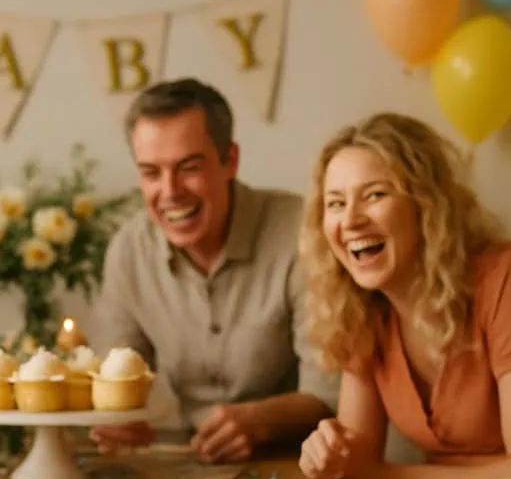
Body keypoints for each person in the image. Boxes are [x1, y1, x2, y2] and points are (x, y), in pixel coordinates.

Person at [297, 112, 511, 479]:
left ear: (426, 204)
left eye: (374, 195)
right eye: (335, 203)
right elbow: (360, 473)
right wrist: (328, 452)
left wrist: (391, 476)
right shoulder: (358, 310)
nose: (350, 220)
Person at [89, 77, 338, 459]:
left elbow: (329, 394)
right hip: (178, 464)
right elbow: (117, 386)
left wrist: (261, 421)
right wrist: (118, 424)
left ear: (230, 161)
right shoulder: (128, 250)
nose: (170, 191)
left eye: (189, 167)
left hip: (294, 473)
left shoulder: (300, 231)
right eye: (151, 173)